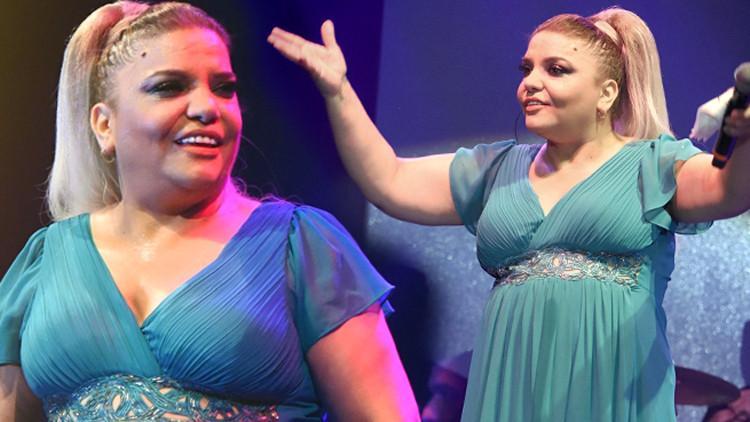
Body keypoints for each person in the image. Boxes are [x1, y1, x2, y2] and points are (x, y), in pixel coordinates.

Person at [268, 6, 750, 421]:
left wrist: (746, 135)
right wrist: (337, 90)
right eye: (527, 68)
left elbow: (729, 190)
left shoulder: (653, 164)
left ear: (606, 94)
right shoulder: (497, 169)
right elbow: (389, 179)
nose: (530, 83)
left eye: (556, 69)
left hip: (609, 390)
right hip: (510, 388)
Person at [0, 2, 421, 421]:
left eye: (223, 88)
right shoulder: (45, 261)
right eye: (169, 87)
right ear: (104, 125)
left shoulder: (302, 247)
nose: (207, 107)